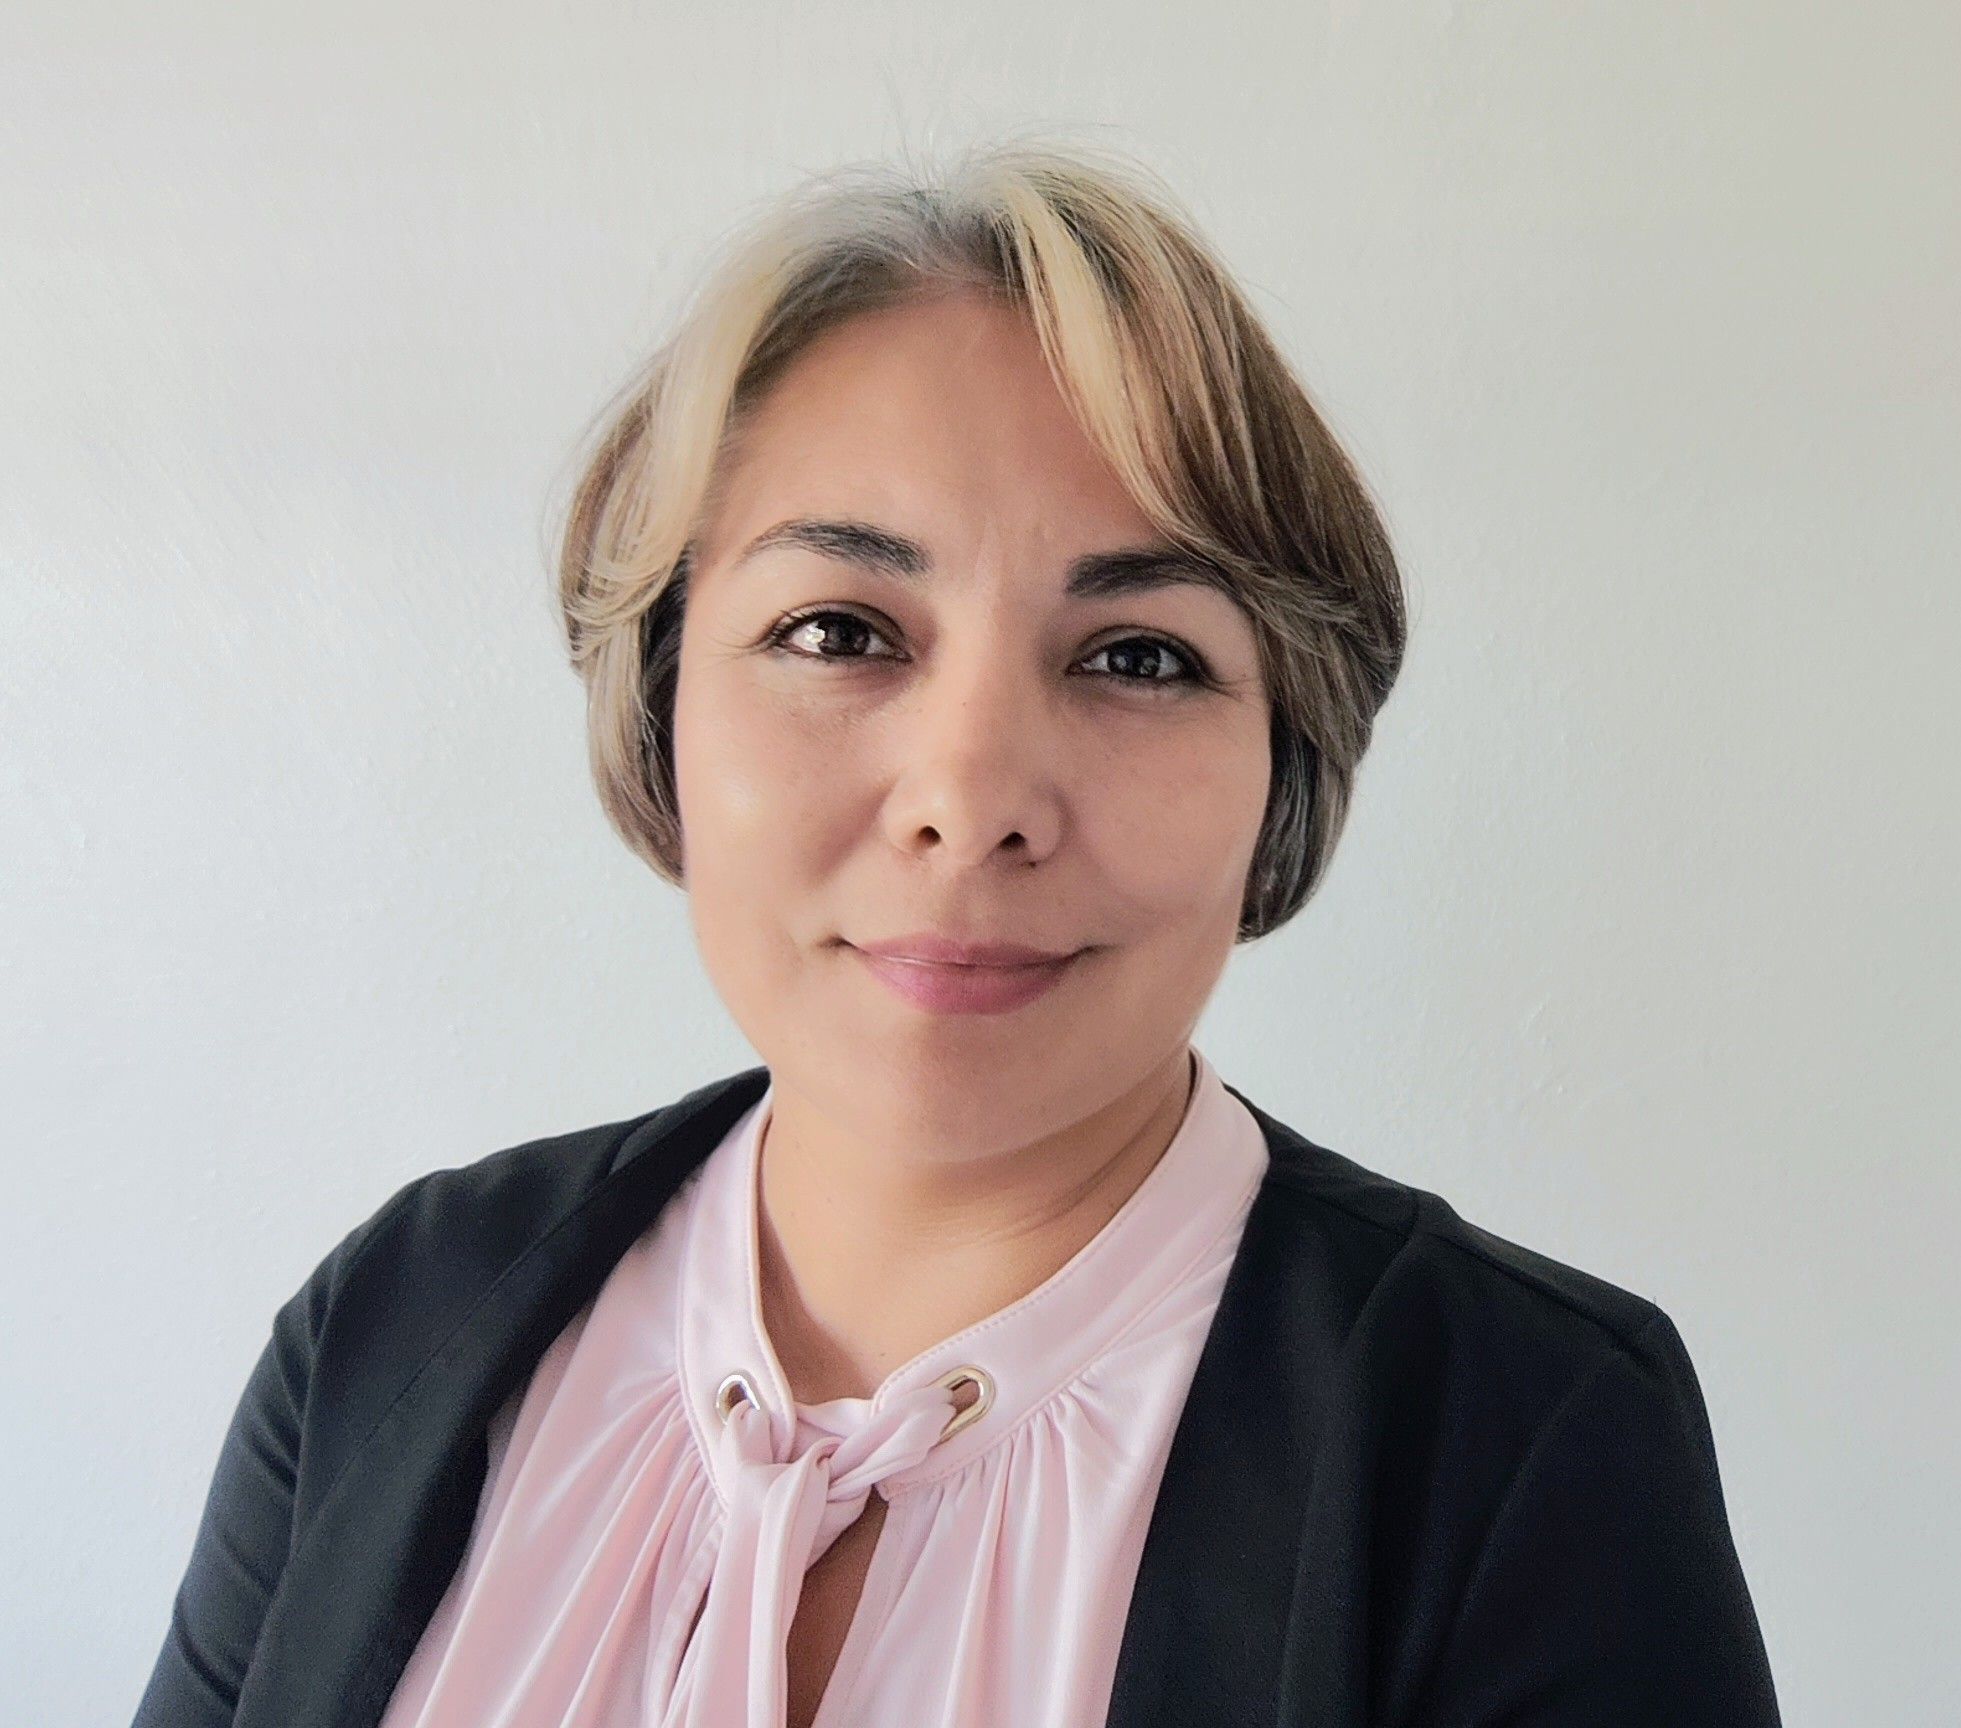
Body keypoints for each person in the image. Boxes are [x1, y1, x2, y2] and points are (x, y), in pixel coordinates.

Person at [131, 138, 1782, 1728]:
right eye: (839, 630)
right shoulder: (397, 1320)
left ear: (1284, 755)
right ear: (659, 710)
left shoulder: (1522, 1437)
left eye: (1136, 655)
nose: (972, 796)